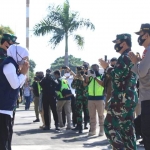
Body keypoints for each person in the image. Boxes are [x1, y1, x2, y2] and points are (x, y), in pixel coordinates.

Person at [99, 34, 138, 150]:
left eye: (117, 42)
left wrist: (106, 67)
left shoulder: (125, 57)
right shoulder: (132, 56)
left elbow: (116, 75)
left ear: (124, 43)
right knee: (127, 129)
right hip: (130, 96)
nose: (116, 45)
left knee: (110, 126)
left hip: (122, 97)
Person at [0, 44, 29, 150]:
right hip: (3, 109)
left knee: (6, 139)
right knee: (3, 141)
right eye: (24, 57)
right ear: (18, 55)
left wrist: (22, 74)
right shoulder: (9, 65)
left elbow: (17, 86)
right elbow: (15, 84)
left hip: (6, 109)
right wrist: (23, 74)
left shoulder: (13, 65)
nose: (25, 60)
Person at [128, 23, 150, 150]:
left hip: (148, 98)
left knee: (147, 132)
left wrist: (135, 63)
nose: (140, 37)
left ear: (147, 34)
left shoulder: (149, 50)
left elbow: (141, 72)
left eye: (141, 34)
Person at [84, 64, 104, 136]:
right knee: (92, 115)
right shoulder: (90, 77)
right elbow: (84, 85)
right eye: (93, 68)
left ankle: (101, 131)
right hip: (91, 98)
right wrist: (87, 77)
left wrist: (95, 77)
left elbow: (102, 84)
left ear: (98, 69)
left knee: (101, 115)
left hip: (100, 98)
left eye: (95, 68)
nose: (94, 70)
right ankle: (93, 130)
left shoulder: (101, 76)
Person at [70, 66, 89, 133]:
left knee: (86, 112)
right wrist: (75, 79)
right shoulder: (76, 78)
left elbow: (86, 86)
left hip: (86, 97)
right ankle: (79, 126)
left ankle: (86, 124)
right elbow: (73, 86)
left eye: (81, 70)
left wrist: (82, 79)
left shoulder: (87, 77)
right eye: (78, 71)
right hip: (79, 97)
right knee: (78, 112)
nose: (79, 72)